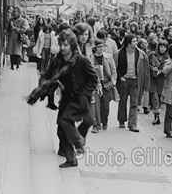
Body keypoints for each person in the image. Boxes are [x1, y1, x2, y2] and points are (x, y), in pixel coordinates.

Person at [35, 30, 98, 168]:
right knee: (62, 127)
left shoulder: (82, 60)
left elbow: (94, 79)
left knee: (88, 120)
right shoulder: (58, 60)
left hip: (82, 98)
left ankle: (78, 142)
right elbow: (46, 74)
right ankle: (71, 158)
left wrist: (85, 94)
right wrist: (43, 85)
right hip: (67, 97)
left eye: (65, 45)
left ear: (72, 46)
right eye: (61, 45)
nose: (62, 48)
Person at [114, 33, 150, 132]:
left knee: (134, 103)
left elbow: (145, 70)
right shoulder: (119, 53)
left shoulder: (140, 54)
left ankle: (132, 124)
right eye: (134, 41)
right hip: (124, 80)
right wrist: (120, 77)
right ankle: (121, 120)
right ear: (128, 43)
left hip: (135, 80)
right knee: (123, 101)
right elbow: (114, 68)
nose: (136, 43)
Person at [90, 37, 117, 131]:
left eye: (102, 46)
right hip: (95, 84)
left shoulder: (108, 56)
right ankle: (96, 125)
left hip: (106, 83)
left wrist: (113, 82)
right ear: (95, 48)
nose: (101, 48)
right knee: (96, 105)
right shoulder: (91, 58)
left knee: (105, 106)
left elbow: (113, 71)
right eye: (99, 47)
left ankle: (104, 121)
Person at [149, 39, 170, 126]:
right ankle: (156, 116)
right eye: (161, 47)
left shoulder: (167, 58)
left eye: (164, 47)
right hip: (153, 78)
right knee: (154, 97)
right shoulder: (152, 55)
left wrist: (161, 71)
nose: (162, 49)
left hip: (162, 79)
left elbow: (168, 69)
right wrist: (152, 68)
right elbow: (148, 64)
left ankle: (158, 113)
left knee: (159, 96)